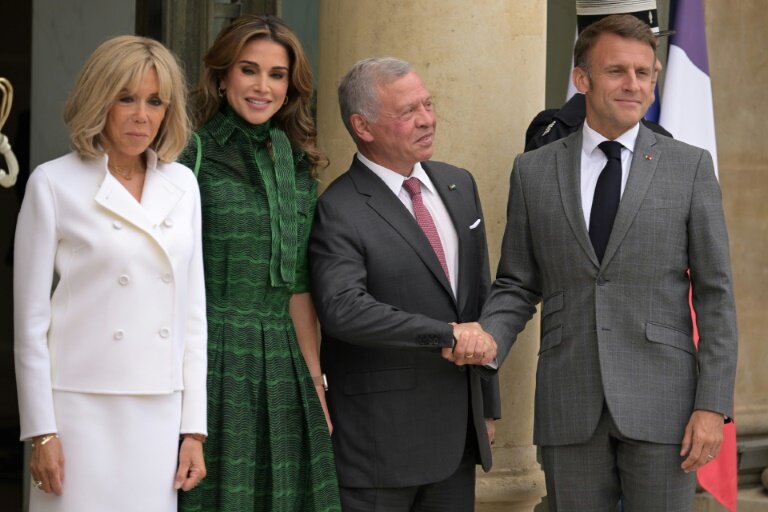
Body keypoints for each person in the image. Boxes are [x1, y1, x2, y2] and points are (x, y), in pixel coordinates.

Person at [476, 15, 738, 511]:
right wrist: (488, 341)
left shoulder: (690, 167)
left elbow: (716, 296)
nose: (633, 85)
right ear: (582, 79)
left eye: (644, 73)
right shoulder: (533, 171)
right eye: (617, 71)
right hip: (569, 400)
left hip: (666, 409)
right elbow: (516, 282)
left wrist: (712, 404)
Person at [14, 35, 207, 512]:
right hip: (78, 409)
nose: (142, 115)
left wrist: (193, 430)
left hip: (159, 407)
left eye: (155, 101)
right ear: (100, 99)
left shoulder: (182, 185)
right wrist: (42, 432)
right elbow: (30, 324)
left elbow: (193, 318)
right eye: (127, 98)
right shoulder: (53, 184)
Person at [309, 57, 500, 512]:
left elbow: (480, 299)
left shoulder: (459, 184)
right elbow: (343, 309)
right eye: (408, 112)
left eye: (428, 104)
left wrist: (488, 405)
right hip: (379, 448)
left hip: (457, 440)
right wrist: (445, 334)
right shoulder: (338, 207)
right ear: (364, 126)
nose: (427, 119)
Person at [176, 15, 340, 512]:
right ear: (222, 76)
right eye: (249, 70)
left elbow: (298, 288)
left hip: (282, 365)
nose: (262, 86)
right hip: (207, 355)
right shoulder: (189, 154)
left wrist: (316, 383)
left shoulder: (298, 164)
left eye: (277, 75)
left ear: (291, 87)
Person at [524, 0, 672, 152]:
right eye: (617, 69)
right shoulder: (555, 132)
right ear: (583, 78)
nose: (658, 66)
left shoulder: (665, 143)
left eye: (653, 50)